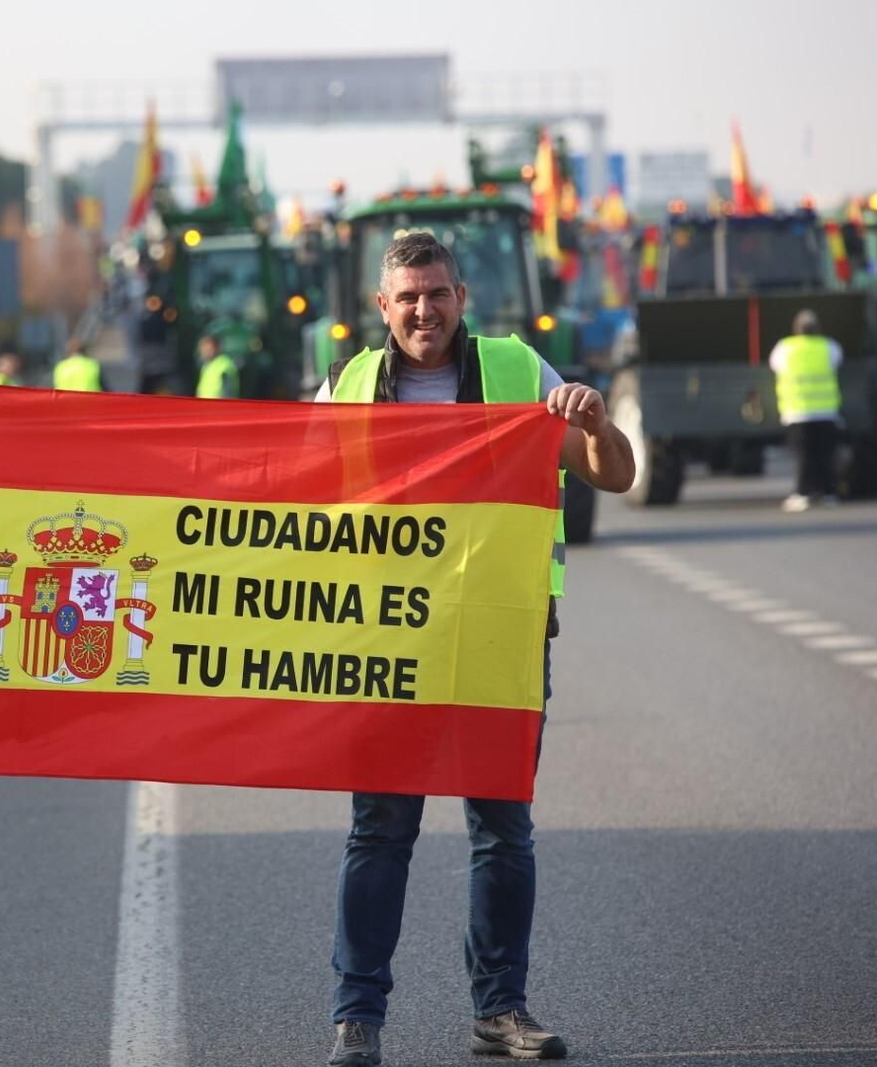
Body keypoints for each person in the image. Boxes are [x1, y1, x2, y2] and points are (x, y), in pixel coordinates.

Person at [314, 232, 634, 1065]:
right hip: (387, 648)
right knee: (379, 830)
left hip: (499, 643)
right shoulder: (345, 388)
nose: (424, 309)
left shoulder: (523, 372)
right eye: (408, 297)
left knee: (502, 829)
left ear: (462, 297)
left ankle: (501, 1010)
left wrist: (596, 424)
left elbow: (615, 474)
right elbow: (286, 503)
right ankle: (358, 1018)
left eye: (437, 293)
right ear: (382, 308)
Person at [768, 308, 842, 512]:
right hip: (826, 412)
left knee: (804, 454)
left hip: (797, 411)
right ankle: (829, 493)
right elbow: (837, 361)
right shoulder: (828, 346)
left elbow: (774, 365)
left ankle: (802, 493)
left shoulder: (785, 348)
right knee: (825, 454)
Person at [194, 333, 241, 399]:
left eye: (209, 348)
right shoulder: (206, 366)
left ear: (217, 348)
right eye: (203, 348)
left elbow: (228, 392)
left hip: (218, 407)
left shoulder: (224, 365)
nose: (205, 351)